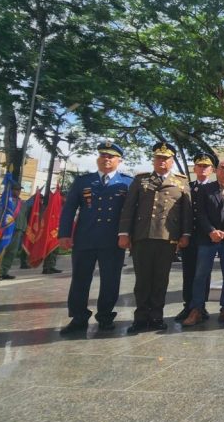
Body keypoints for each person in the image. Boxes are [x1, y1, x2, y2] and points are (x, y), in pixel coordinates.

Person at [58, 142, 134, 334]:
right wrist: (65, 234)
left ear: (119, 160)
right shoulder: (83, 181)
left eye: (111, 156)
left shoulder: (127, 183)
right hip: (86, 238)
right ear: (98, 158)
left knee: (110, 280)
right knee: (80, 280)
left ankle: (105, 316)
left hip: (112, 240)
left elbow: (131, 212)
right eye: (103, 155)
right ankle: (78, 317)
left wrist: (129, 236)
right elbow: (69, 209)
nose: (106, 159)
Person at [118, 142, 193, 334]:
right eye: (159, 158)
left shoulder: (181, 182)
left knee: (161, 279)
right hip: (142, 235)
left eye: (166, 158)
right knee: (142, 280)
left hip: (167, 237)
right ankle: (141, 317)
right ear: (154, 159)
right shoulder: (141, 180)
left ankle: (156, 316)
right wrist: (124, 233)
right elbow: (129, 207)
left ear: (172, 161)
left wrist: (185, 234)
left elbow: (187, 211)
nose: (162, 161)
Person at [183, 159, 224, 326]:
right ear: (216, 171)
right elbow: (200, 213)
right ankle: (196, 309)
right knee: (200, 275)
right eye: (221, 168)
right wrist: (211, 231)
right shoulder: (205, 189)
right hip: (207, 238)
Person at [174, 152, 216, 323]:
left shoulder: (215, 188)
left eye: (206, 166)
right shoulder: (186, 187)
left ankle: (201, 306)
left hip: (206, 238)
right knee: (188, 272)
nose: (202, 169)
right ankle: (188, 305)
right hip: (189, 237)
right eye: (200, 166)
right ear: (194, 168)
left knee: (204, 274)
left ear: (211, 169)